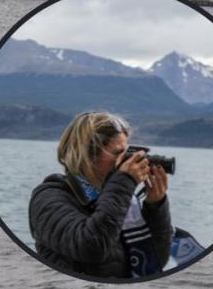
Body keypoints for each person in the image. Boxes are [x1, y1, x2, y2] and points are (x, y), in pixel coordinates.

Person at [29, 112, 172, 278]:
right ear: (87, 154)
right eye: (117, 153)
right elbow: (91, 247)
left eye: (126, 153)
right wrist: (124, 181)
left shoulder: (123, 200)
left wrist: (155, 206)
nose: (124, 161)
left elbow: (156, 261)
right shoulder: (48, 198)